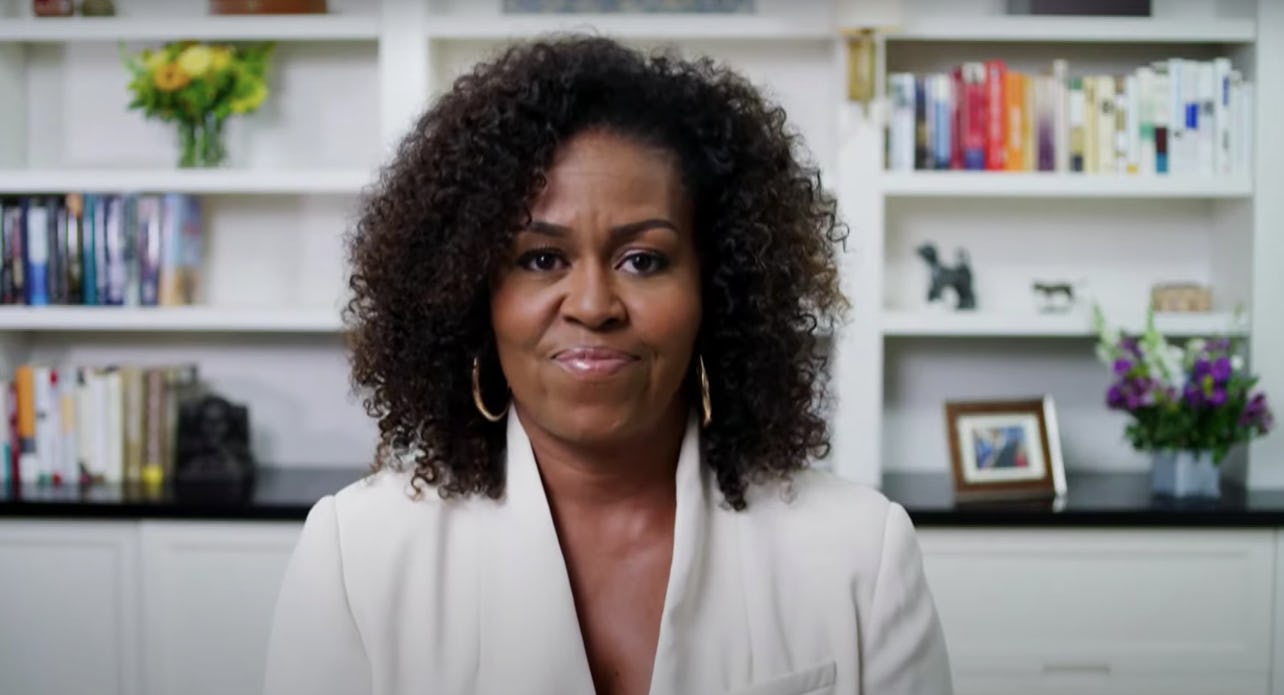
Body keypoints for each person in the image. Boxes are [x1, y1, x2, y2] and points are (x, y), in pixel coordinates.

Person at [263, 35, 952, 695]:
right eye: (541, 258)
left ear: (719, 290)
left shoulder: (861, 554)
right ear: (471, 294)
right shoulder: (357, 557)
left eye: (643, 260)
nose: (593, 305)